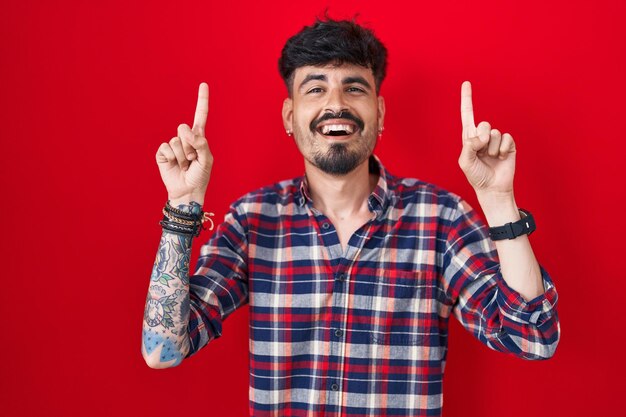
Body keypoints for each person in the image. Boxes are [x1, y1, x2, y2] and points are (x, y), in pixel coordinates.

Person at [142, 17, 560, 417]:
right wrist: (183, 205)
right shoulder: (252, 221)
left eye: (353, 88)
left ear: (380, 112)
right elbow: (165, 348)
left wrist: (499, 199)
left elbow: (532, 338)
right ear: (290, 116)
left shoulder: (442, 218)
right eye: (316, 89)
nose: (336, 105)